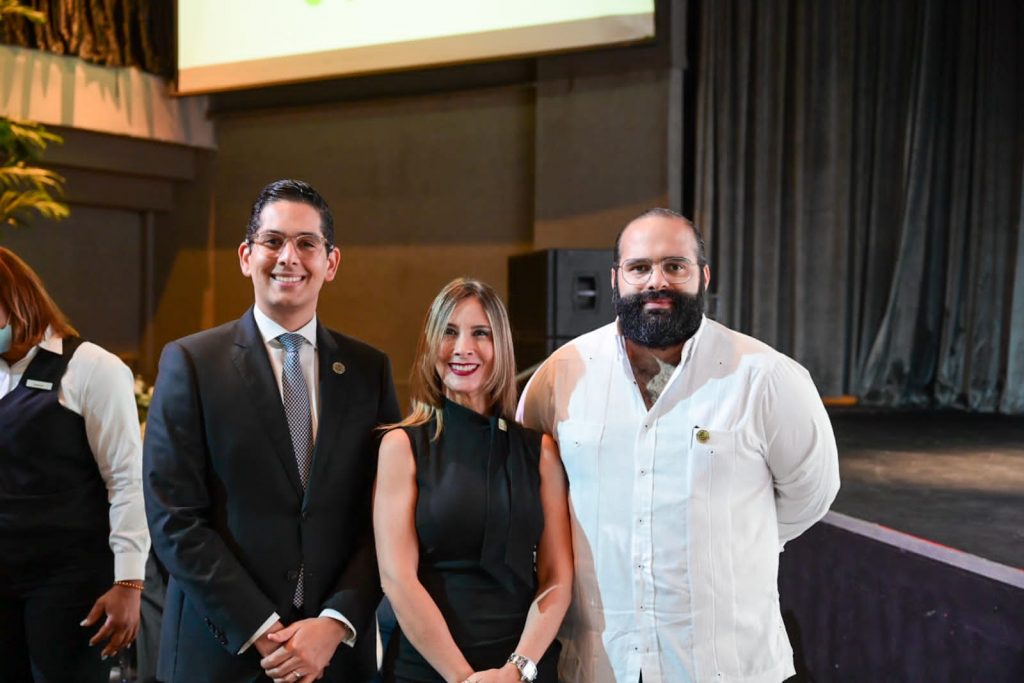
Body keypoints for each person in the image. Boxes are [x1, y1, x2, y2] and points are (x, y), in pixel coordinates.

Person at [517, 209, 841, 683]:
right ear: (616, 279)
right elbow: (528, 486)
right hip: (601, 665)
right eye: (639, 268)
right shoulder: (562, 375)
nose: (656, 282)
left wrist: (727, 543)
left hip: (728, 667)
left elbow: (812, 492)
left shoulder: (767, 377)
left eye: (675, 266)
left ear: (703, 276)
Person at [144, 179, 400, 683]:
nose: (289, 257)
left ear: (331, 262)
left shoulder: (369, 371)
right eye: (273, 241)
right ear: (246, 255)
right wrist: (264, 631)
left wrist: (333, 624)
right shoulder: (192, 363)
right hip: (221, 652)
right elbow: (174, 518)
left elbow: (385, 518)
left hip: (335, 657)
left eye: (307, 243)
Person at [374, 278, 572, 683]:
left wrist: (516, 671)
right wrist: (464, 678)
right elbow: (398, 579)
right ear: (431, 345)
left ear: (500, 345)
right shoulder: (402, 446)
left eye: (480, 333)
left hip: (522, 670)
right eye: (449, 332)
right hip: (427, 670)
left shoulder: (541, 453)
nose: (463, 348)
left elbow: (557, 578)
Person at [0, 247, 150, 682]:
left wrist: (129, 582)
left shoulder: (93, 368)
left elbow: (126, 479)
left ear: (19, 299)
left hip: (70, 579)